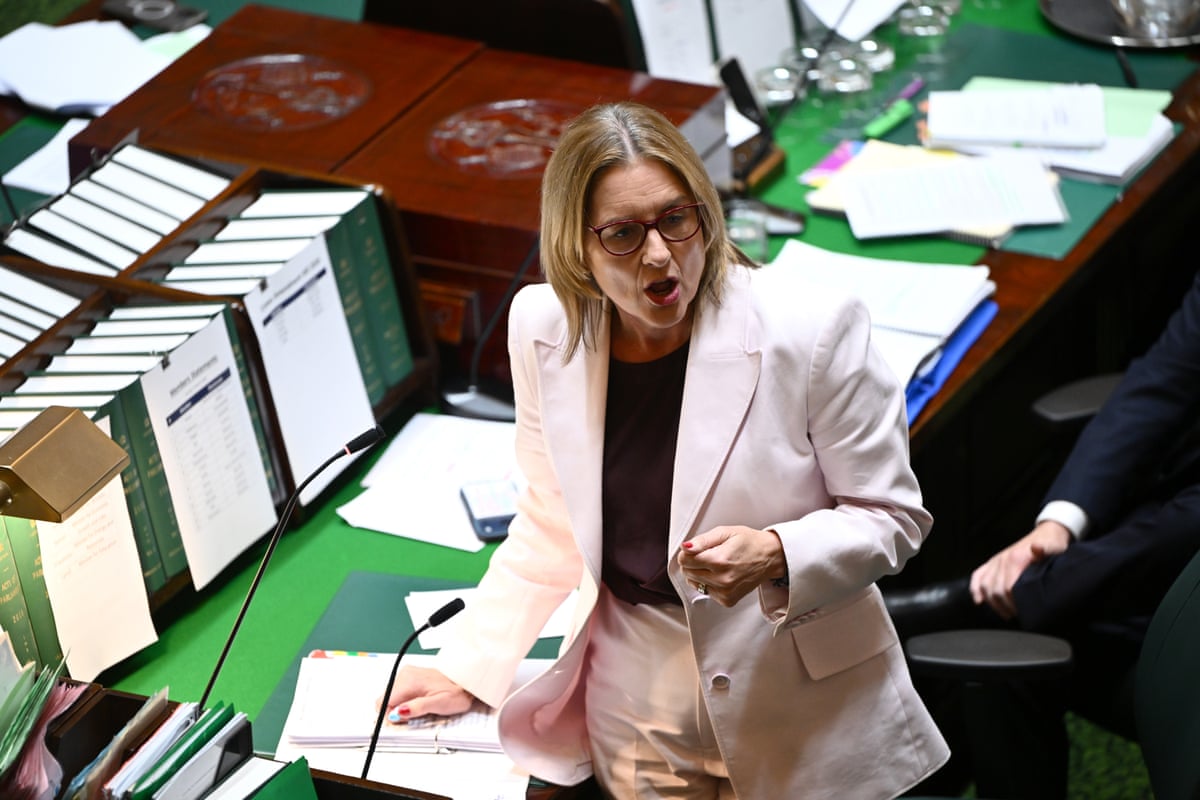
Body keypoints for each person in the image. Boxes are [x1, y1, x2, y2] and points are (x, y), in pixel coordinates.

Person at [382, 101, 949, 798]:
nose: (658, 254)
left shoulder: (813, 332)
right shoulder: (542, 327)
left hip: (800, 702)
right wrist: (469, 665)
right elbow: (551, 521)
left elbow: (893, 517)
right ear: (575, 247)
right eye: (622, 233)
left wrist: (778, 551)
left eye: (676, 219)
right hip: (638, 702)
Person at [888, 268, 1200, 798]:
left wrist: (1043, 582)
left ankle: (982, 600)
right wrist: (1061, 522)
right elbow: (1162, 382)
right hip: (1164, 513)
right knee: (1007, 638)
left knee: (1011, 625)